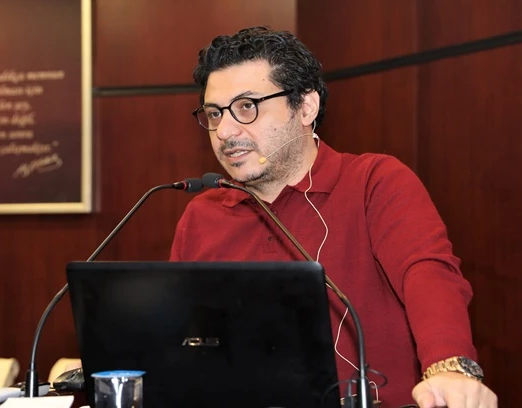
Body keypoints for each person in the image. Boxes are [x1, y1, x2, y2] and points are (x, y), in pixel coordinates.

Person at [170, 27, 497, 408]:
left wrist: (450, 366)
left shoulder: (373, 182)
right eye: (214, 113)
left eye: (246, 107)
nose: (224, 131)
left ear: (306, 107)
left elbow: (427, 273)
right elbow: (182, 341)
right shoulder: (202, 215)